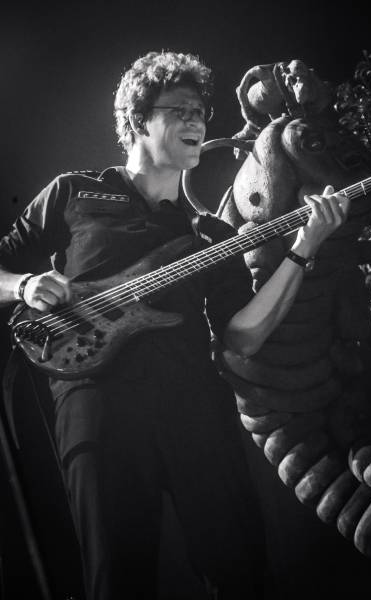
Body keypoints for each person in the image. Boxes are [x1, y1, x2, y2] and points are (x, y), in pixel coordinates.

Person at [0, 51, 348, 599]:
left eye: (201, 113)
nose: (197, 122)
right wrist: (22, 285)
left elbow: (242, 334)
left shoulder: (208, 233)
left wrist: (304, 250)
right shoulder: (73, 192)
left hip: (194, 405)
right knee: (116, 577)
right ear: (139, 120)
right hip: (97, 401)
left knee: (242, 572)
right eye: (180, 110)